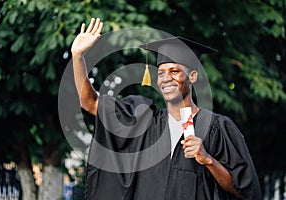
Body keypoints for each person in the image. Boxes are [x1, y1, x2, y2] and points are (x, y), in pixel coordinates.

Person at [71, 18, 263, 200]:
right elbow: (91, 103)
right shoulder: (144, 121)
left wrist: (207, 159)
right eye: (161, 72)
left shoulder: (217, 128)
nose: (165, 78)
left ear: (193, 76)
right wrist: (78, 57)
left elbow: (243, 191)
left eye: (174, 71)